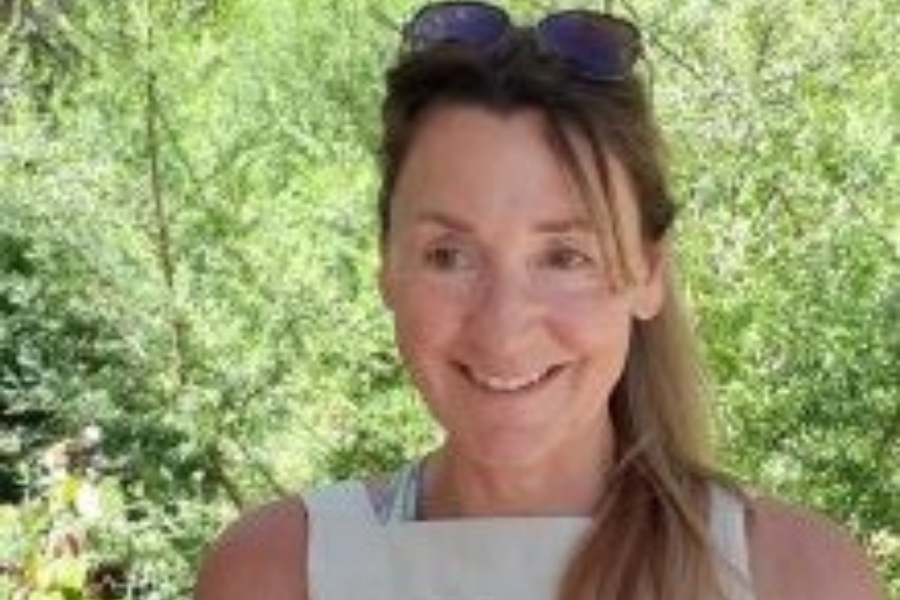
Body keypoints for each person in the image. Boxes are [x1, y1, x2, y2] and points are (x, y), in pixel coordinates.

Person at [194, 3, 885, 599]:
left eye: (564, 257)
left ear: (648, 273)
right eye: (448, 255)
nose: (503, 328)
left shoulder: (798, 577)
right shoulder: (276, 573)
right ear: (387, 265)